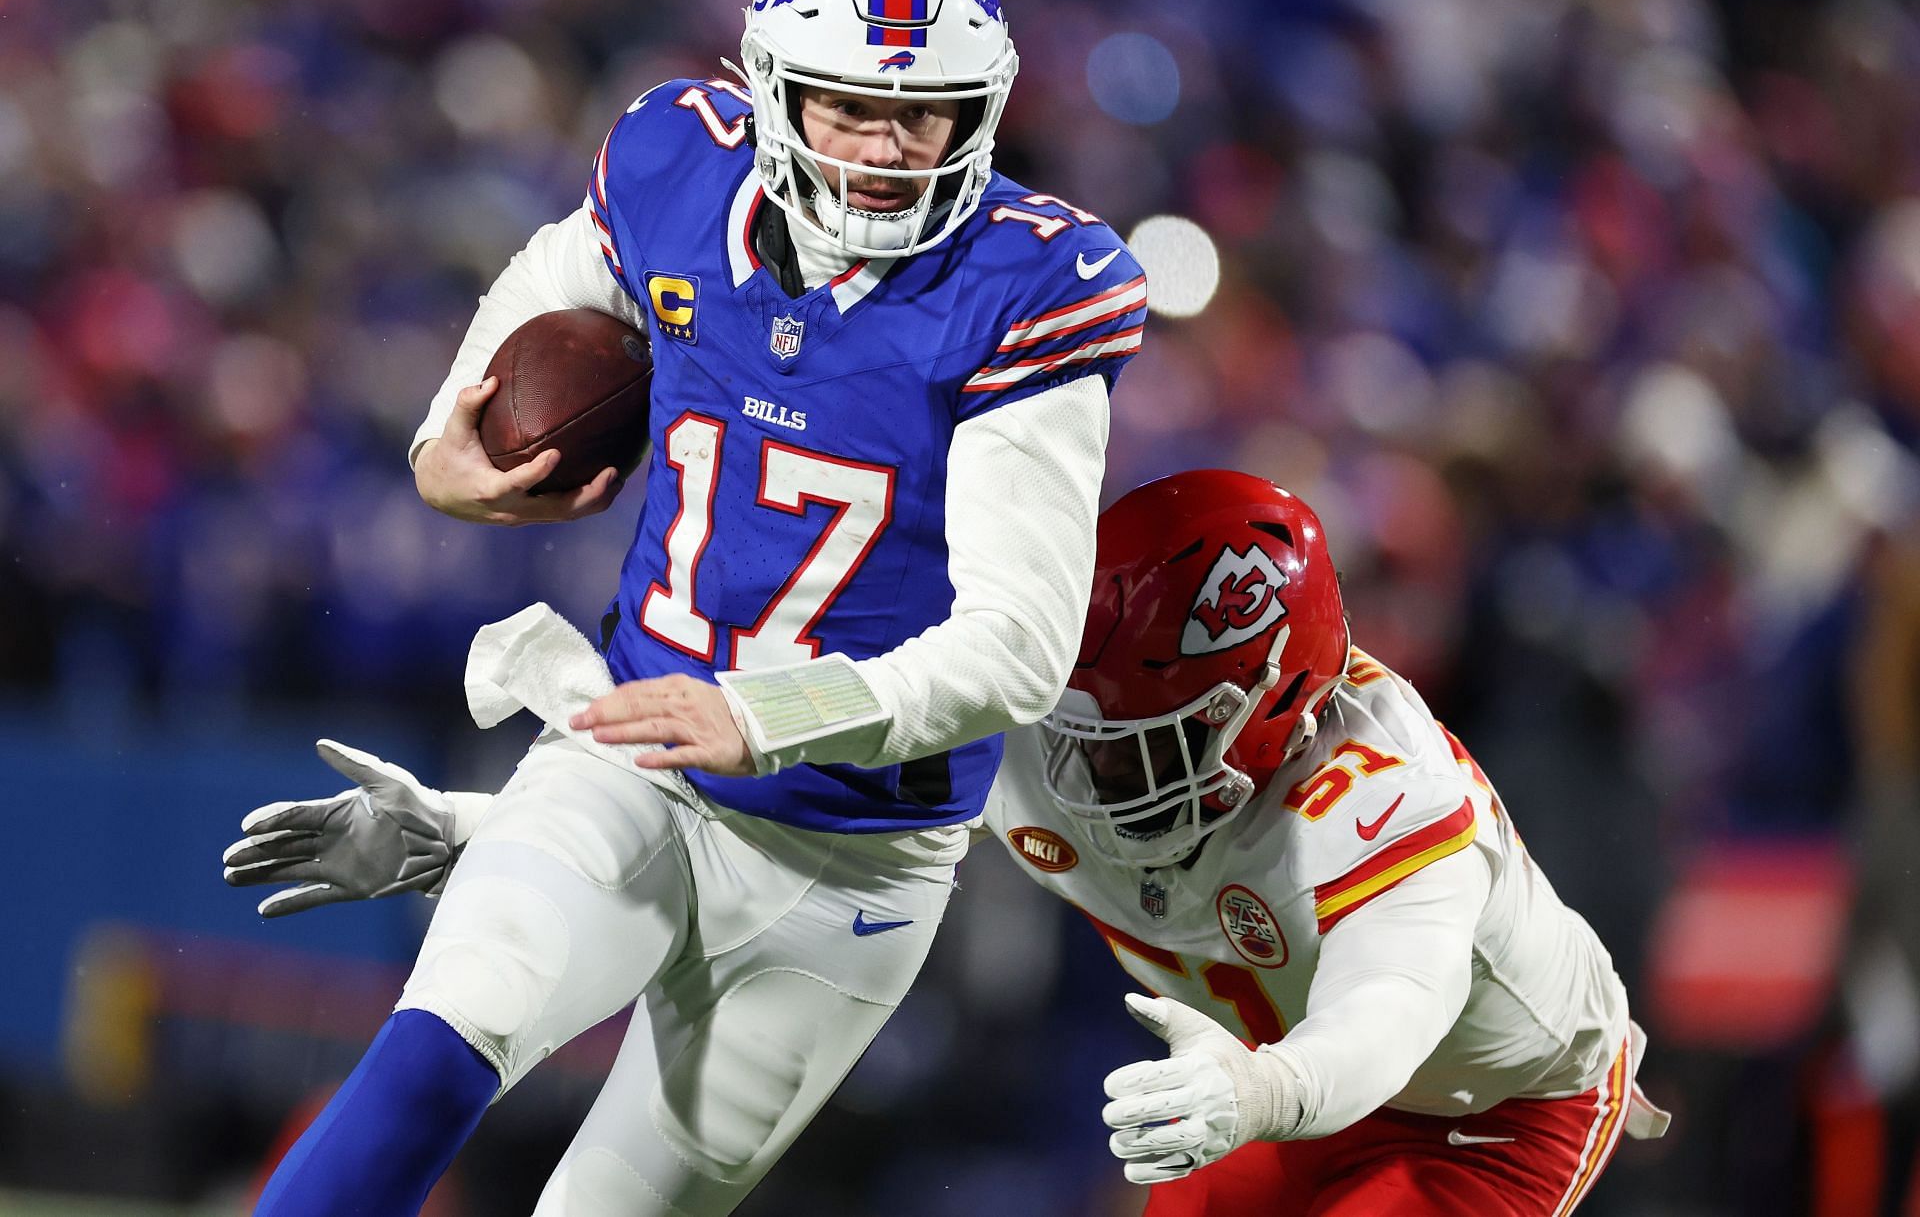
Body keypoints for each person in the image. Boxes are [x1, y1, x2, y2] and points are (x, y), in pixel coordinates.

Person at [231, 0, 1147, 1217]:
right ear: (775, 88)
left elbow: (1016, 646)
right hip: (627, 754)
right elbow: (555, 276)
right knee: (437, 1048)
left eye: (925, 114)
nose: (887, 150)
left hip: (856, 866)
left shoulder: (1029, 292)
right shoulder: (678, 168)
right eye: (847, 106)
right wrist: (448, 434)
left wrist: (761, 713)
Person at [231, 471, 1668, 1213]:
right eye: (1085, 734)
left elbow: (1388, 1022)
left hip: (1487, 1099)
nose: (1094, 784)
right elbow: (746, 829)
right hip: (1262, 1066)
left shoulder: (1382, 798)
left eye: (1147, 748)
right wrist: (484, 834)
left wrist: (1261, 1090)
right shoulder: (1048, 734)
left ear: (1271, 707)